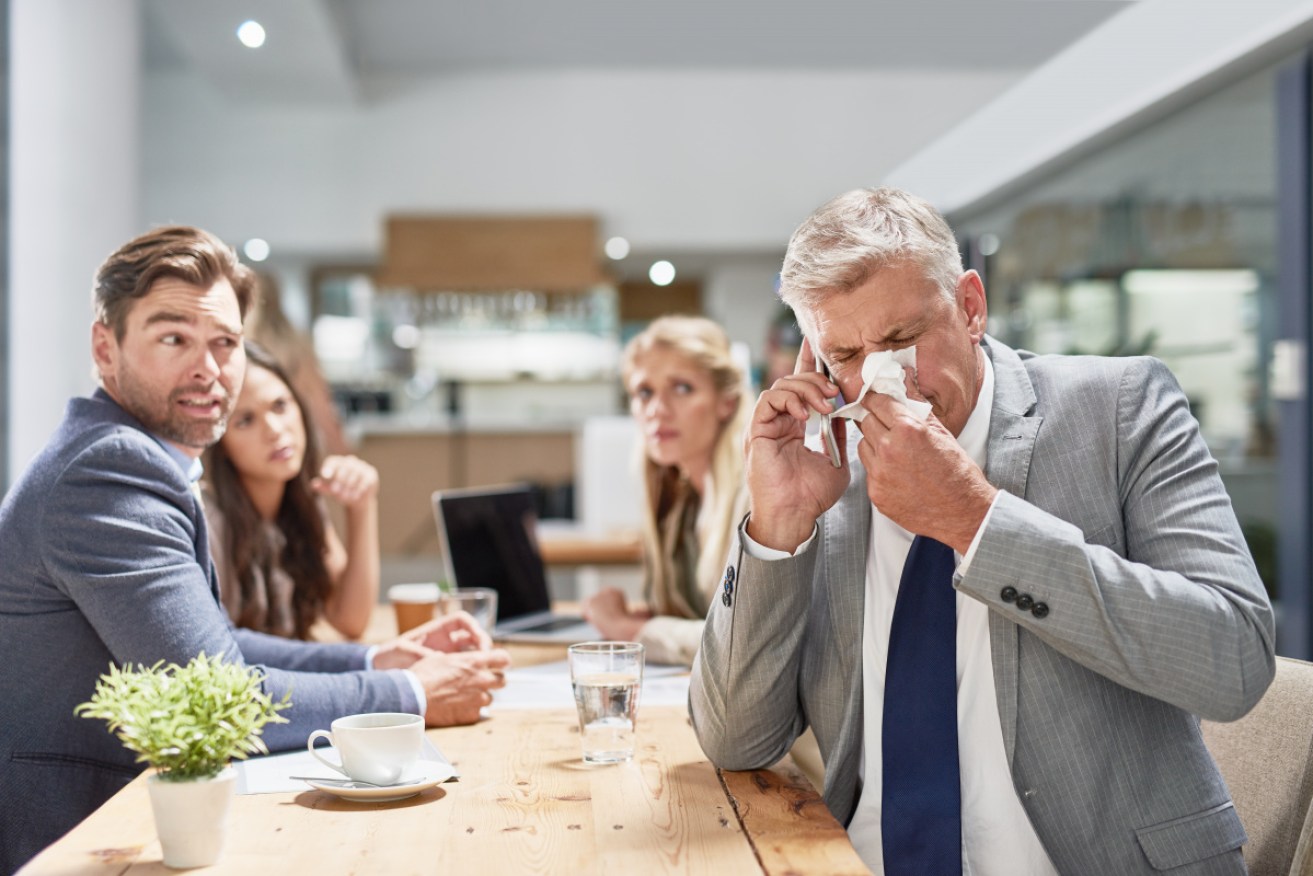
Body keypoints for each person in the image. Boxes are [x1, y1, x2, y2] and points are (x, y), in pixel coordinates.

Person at [689, 187, 1275, 875]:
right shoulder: (824, 464)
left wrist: (974, 518)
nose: (882, 379)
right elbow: (735, 738)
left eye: (903, 339)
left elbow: (1232, 659)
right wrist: (777, 526)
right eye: (844, 354)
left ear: (970, 306)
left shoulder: (1117, 409)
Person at [0, 226, 511, 873]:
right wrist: (407, 691)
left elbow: (215, 646)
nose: (208, 370)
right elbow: (215, 692)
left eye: (224, 343)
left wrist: (373, 654)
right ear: (106, 347)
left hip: (136, 814)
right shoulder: (108, 471)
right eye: (172, 339)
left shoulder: (129, 456)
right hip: (77, 833)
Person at [581, 316, 749, 666]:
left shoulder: (754, 495)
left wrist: (626, 628)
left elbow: (745, 640)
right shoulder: (681, 502)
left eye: (683, 388)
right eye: (645, 392)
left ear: (727, 402)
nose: (658, 410)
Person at [203, 342, 378, 640]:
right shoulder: (210, 523)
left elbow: (350, 620)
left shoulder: (300, 503)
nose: (274, 429)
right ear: (222, 446)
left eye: (280, 406)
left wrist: (362, 506)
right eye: (245, 420)